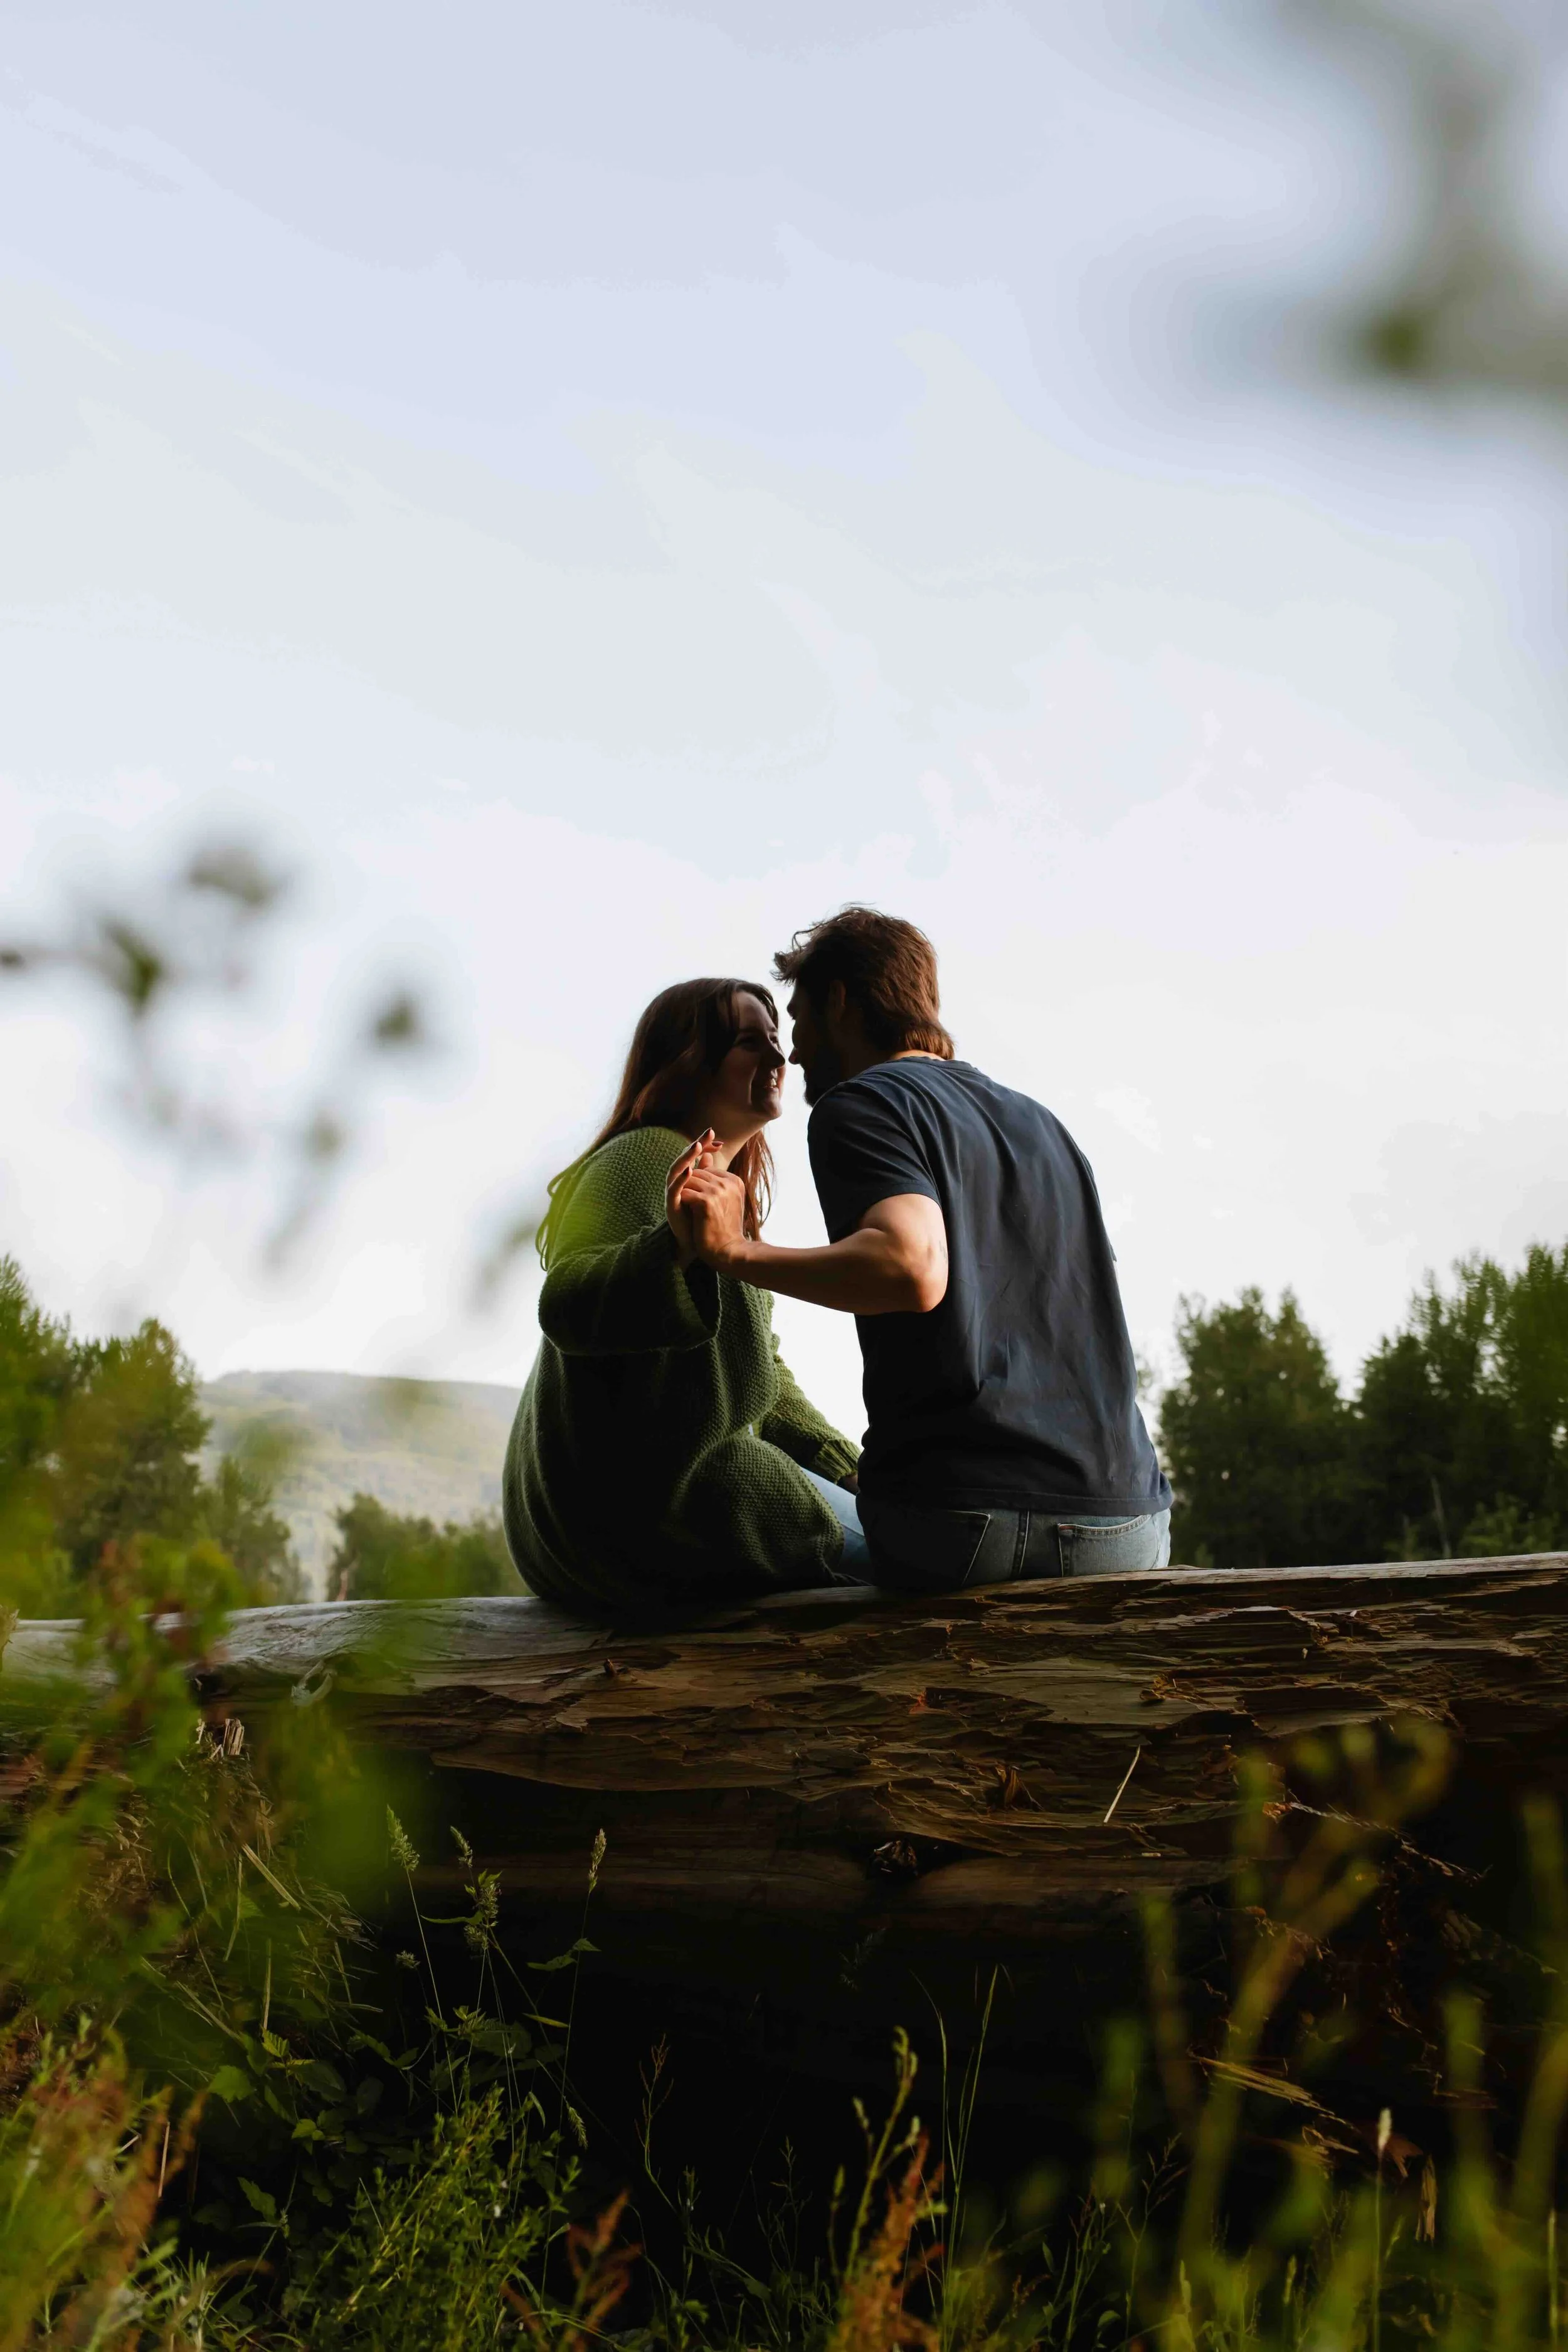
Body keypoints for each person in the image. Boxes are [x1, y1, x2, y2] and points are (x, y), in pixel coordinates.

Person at [667, 908, 1172, 1591]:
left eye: (801, 1020)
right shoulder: (1045, 1126)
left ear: (840, 1001)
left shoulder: (862, 1102)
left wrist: (734, 1252)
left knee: (736, 1514)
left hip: (958, 1524)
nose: (797, 1053)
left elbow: (910, 1266)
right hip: (1126, 1528)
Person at [502, 977, 866, 1613]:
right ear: (687, 1061)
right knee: (930, 1550)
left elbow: (764, 1379)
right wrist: (671, 1248)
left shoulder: (715, 1198)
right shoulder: (643, 1157)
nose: (778, 1059)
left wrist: (845, 1465)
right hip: (655, 1522)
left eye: (777, 1041)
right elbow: (565, 1302)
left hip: (623, 1534)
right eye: (751, 1043)